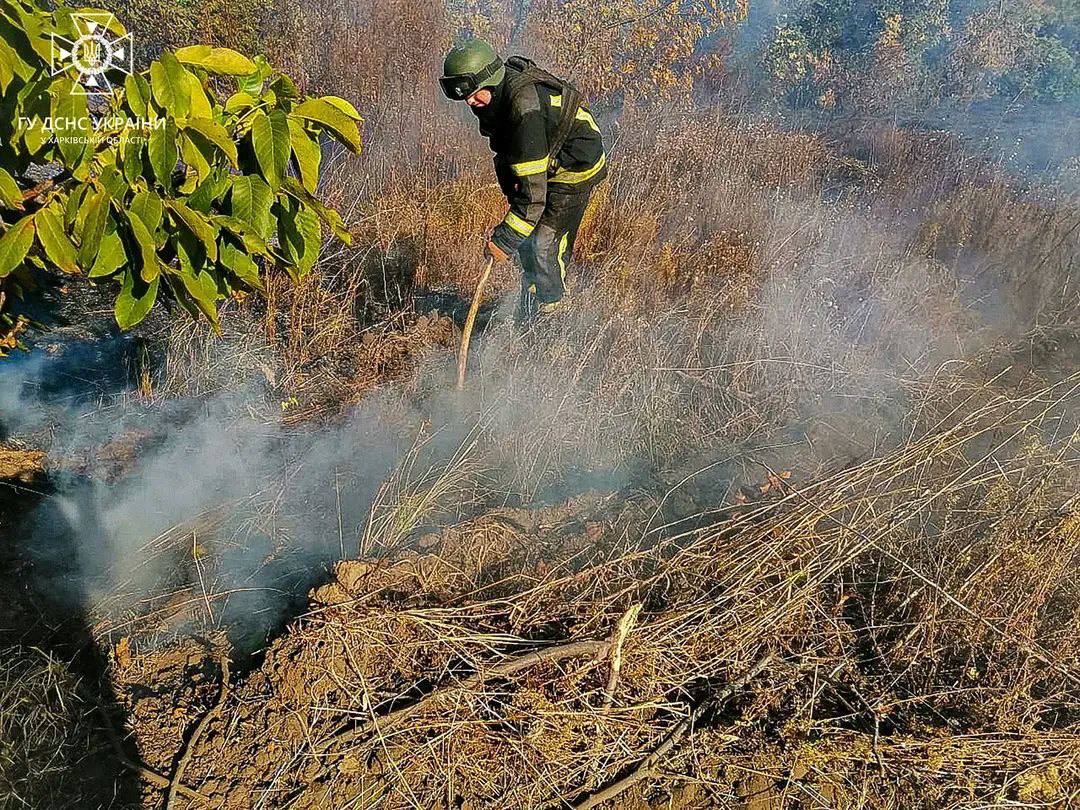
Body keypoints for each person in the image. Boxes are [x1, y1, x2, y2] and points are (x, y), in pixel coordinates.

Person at [439, 39, 607, 317]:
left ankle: (553, 311)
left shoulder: (525, 110)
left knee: (543, 243)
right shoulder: (493, 100)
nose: (469, 101)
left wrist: (504, 240)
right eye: (464, 96)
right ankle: (531, 299)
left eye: (473, 93)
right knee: (527, 240)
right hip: (546, 157)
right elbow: (508, 154)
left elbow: (532, 200)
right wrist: (513, 199)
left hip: (575, 165)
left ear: (490, 80)